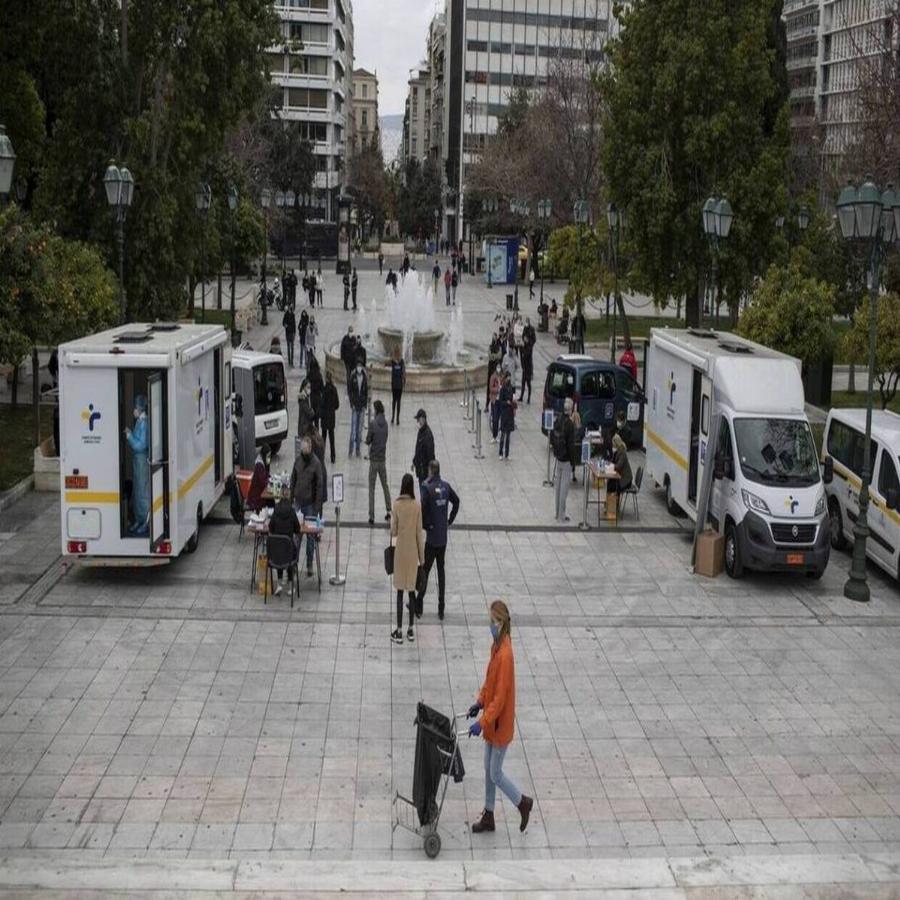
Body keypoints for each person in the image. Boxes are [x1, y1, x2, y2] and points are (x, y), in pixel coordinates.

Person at [467, 600, 534, 834]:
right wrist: (479, 702)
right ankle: (489, 814)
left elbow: (501, 698)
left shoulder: (505, 655)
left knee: (495, 772)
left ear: (501, 623)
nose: (490, 625)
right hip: (492, 722)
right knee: (488, 769)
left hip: (499, 724)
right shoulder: (496, 647)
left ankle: (522, 802)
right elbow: (490, 682)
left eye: (493, 621)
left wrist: (481, 722)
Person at [416, 460, 459, 621]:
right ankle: (441, 607)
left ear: (430, 471)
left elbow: (422, 510)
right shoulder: (446, 487)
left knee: (425, 570)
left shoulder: (428, 489)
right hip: (443, 537)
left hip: (432, 538)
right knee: (441, 571)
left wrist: (426, 526)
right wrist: (449, 520)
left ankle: (419, 603)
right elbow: (457, 501)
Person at [390, 473, 425, 643]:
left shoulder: (396, 505)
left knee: (399, 591)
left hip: (400, 552)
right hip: (412, 553)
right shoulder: (417, 506)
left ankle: (398, 630)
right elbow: (419, 534)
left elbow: (393, 531)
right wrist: (422, 558)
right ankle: (411, 629)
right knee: (411, 590)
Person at [290, 435, 325, 577]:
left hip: (310, 504)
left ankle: (309, 564)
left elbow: (319, 486)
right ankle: (294, 562)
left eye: (305, 450)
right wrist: (291, 498)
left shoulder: (316, 464)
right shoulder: (298, 461)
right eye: (302, 450)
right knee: (296, 535)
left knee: (310, 537)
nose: (303, 452)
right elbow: (293, 480)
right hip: (298, 503)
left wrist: (317, 508)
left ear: (309, 448)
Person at [269, 482, 302, 597]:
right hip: (289, 549)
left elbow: (271, 527)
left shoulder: (276, 509)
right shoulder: (292, 511)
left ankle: (279, 584)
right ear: (289, 496)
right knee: (291, 551)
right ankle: (291, 586)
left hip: (276, 552)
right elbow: (297, 529)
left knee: (280, 549)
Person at [125, 394, 150, 535]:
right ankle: (139, 519)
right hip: (137, 462)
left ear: (140, 408)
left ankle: (145, 521)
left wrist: (129, 437)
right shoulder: (139, 422)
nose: (133, 410)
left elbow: (141, 445)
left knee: (143, 493)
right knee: (137, 491)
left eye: (135, 407)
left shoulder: (144, 423)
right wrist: (131, 434)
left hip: (141, 461)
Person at [366, 399, 391, 525]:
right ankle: (389, 510)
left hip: (374, 460)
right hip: (382, 459)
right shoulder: (385, 424)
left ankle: (372, 515)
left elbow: (368, 440)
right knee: (385, 485)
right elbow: (385, 438)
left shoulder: (373, 424)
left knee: (372, 488)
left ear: (376, 410)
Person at [552, 399, 578, 522]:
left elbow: (553, 436)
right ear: (571, 409)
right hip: (566, 459)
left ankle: (557, 513)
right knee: (564, 488)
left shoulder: (558, 419)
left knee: (558, 487)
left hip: (559, 457)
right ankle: (562, 516)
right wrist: (573, 462)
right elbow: (571, 446)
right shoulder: (570, 424)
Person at [348, 358, 368, 457]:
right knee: (353, 430)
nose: (359, 367)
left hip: (361, 406)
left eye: (360, 366)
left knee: (359, 430)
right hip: (355, 407)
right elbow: (350, 391)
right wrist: (352, 404)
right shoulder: (353, 376)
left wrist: (365, 405)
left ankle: (358, 450)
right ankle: (350, 450)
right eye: (358, 366)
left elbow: (366, 392)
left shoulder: (364, 377)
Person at [320, 370, 339, 464]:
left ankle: (322, 455)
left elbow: (322, 403)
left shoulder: (324, 390)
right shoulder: (334, 389)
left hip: (324, 416)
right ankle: (333, 456)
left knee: (323, 437)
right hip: (331, 416)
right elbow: (337, 405)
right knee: (332, 437)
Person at [412, 408, 435, 484]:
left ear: (423, 419)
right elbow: (418, 449)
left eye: (418, 419)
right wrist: (414, 462)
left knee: (424, 489)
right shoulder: (421, 432)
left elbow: (430, 454)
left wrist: (430, 472)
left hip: (425, 471)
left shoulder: (427, 435)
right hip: (420, 470)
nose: (417, 422)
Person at [245, 444, 269, 514]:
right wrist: (270, 481)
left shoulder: (262, 462)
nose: (268, 458)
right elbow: (263, 482)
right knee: (271, 502)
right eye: (268, 456)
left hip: (258, 493)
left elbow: (265, 475)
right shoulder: (259, 465)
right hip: (256, 497)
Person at [497, 373, 515, 460]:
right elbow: (500, 401)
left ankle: (507, 454)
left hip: (510, 414)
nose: (509, 379)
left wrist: (513, 403)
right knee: (503, 434)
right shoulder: (502, 389)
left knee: (508, 436)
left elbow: (512, 398)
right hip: (504, 414)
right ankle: (500, 453)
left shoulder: (511, 388)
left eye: (510, 378)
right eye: (508, 378)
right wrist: (506, 403)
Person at [519, 318, 535, 404]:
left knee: (528, 383)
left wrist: (529, 343)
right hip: (524, 367)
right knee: (523, 382)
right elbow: (521, 355)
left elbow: (527, 355)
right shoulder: (523, 346)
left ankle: (528, 398)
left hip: (528, 368)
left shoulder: (529, 348)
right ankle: (521, 396)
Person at [611, 432, 633, 496]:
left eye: (613, 445)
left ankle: (615, 500)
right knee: (610, 483)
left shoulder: (622, 453)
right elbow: (613, 462)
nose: (612, 446)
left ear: (616, 444)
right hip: (621, 477)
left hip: (626, 480)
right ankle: (612, 499)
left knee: (612, 486)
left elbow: (618, 466)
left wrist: (611, 466)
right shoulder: (617, 452)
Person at [390, 346, 405, 425]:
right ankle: (397, 419)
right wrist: (404, 382)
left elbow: (385, 363)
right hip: (399, 384)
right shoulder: (401, 362)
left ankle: (393, 417)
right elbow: (403, 372)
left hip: (394, 384)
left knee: (394, 400)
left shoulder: (393, 362)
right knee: (398, 401)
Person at [489, 364, 502, 443]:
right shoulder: (493, 377)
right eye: (498, 367)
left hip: (500, 400)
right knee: (495, 418)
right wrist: (498, 389)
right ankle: (494, 436)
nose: (499, 369)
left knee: (498, 418)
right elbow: (491, 388)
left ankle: (496, 435)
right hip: (494, 400)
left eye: (499, 367)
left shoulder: (501, 376)